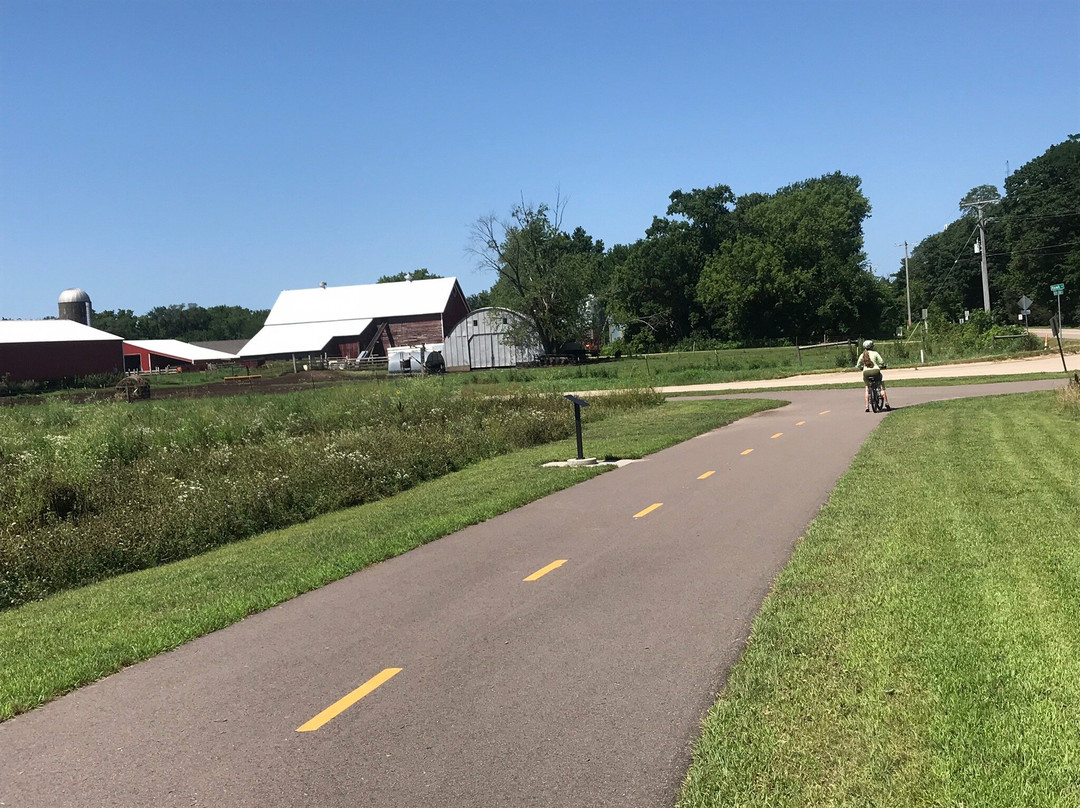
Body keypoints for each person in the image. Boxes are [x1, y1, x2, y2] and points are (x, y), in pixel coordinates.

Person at [856, 339, 890, 411]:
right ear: (872, 346)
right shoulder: (875, 353)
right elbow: (881, 362)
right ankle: (886, 403)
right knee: (881, 386)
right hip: (876, 371)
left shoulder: (862, 355)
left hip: (866, 372)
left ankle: (867, 406)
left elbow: (858, 365)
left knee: (867, 387)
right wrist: (883, 365)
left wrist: (861, 367)